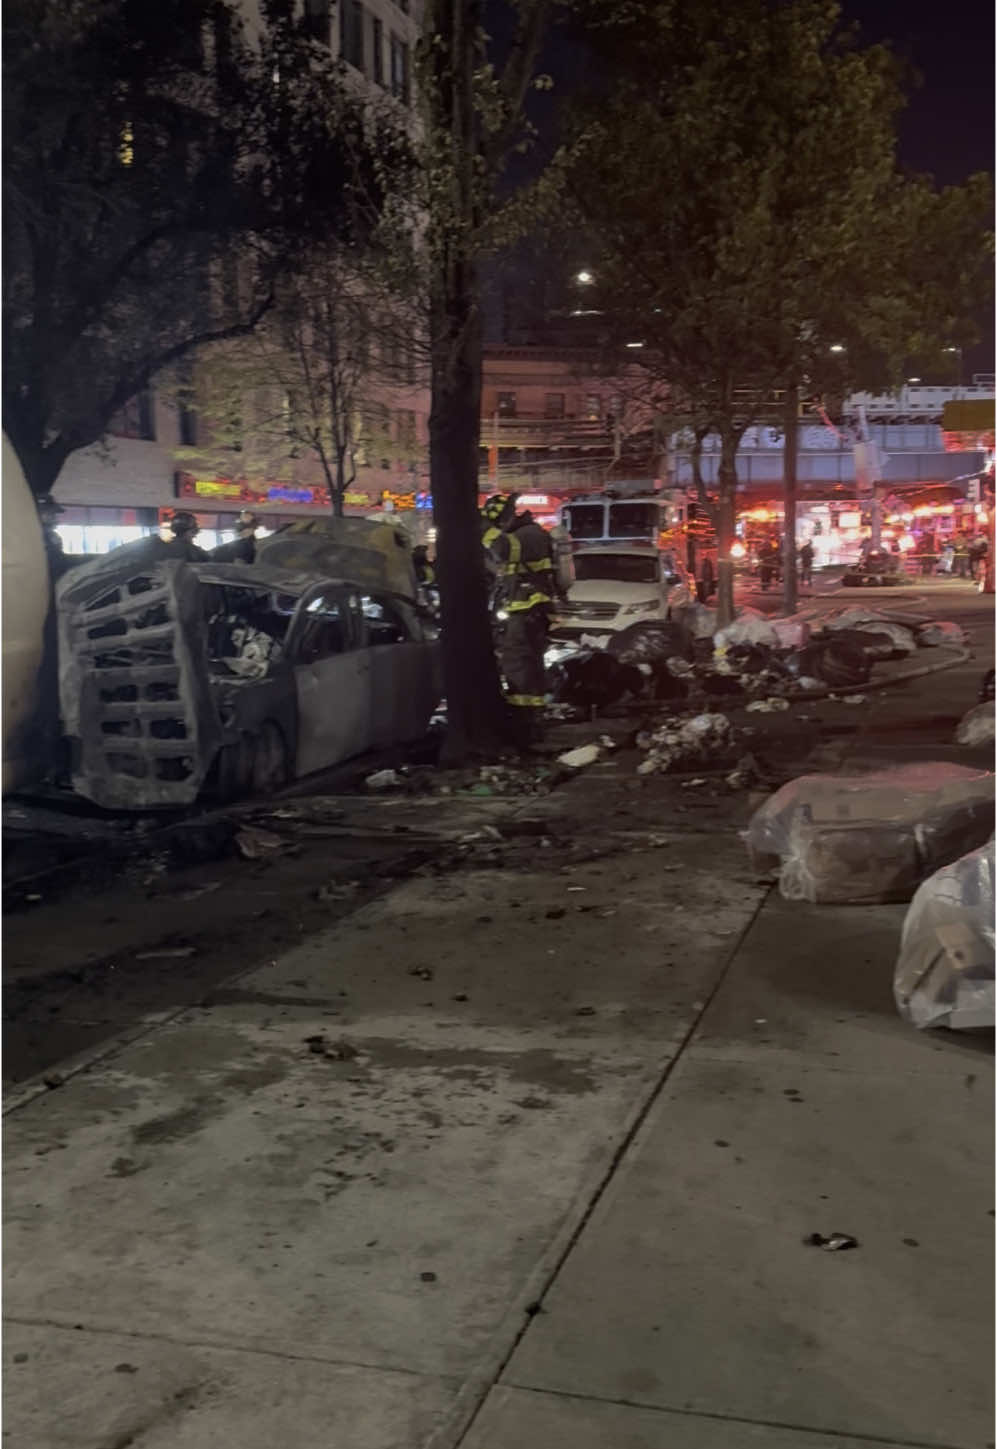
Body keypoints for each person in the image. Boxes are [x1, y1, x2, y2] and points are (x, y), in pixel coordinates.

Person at [481, 493, 564, 746]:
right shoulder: (523, 533)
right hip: (524, 609)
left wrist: (484, 529)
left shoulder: (528, 535)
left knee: (519, 662)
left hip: (529, 609)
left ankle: (525, 720)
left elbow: (504, 550)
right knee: (524, 663)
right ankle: (529, 718)